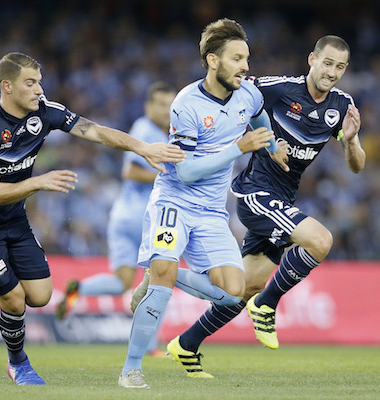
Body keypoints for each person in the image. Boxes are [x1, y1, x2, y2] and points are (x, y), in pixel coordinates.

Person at [0, 52, 185, 385]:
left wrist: (142, 148)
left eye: (39, 82)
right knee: (15, 301)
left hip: (14, 219)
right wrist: (38, 181)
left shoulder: (45, 111)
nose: (38, 90)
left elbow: (95, 131)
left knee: (41, 296)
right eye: (30, 83)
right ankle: (18, 363)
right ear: (7, 86)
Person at [167, 35, 365, 377]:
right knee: (320, 240)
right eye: (328, 63)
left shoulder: (341, 105)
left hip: (284, 199)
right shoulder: (276, 89)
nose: (332, 72)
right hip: (256, 194)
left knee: (243, 288)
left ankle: (185, 344)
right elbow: (229, 86)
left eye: (340, 67)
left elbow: (357, 165)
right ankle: (267, 306)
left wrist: (349, 142)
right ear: (312, 60)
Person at [118, 18, 289, 389]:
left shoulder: (249, 93)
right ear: (213, 61)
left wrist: (274, 148)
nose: (246, 66)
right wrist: (237, 148)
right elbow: (187, 173)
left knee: (232, 294)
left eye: (247, 57)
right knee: (165, 274)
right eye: (237, 58)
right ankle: (131, 369)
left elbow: (260, 118)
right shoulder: (187, 104)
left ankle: (157, 275)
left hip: (212, 212)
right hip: (175, 202)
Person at [55, 81, 177, 357]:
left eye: (170, 104)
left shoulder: (156, 131)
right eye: (160, 104)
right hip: (145, 217)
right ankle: (150, 346)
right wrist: (172, 176)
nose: (166, 110)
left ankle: (80, 287)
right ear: (148, 107)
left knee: (122, 281)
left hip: (122, 216)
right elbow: (131, 173)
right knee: (163, 277)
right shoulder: (145, 130)